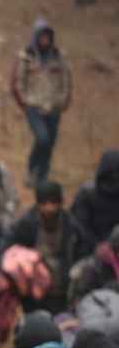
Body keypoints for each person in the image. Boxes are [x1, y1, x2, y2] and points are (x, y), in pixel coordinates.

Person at [7, 181, 92, 313]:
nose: (49, 208)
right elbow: (8, 244)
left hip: (61, 288)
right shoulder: (25, 223)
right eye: (44, 203)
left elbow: (83, 249)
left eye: (53, 203)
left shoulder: (71, 225)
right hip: (33, 289)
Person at [10, 19, 72, 186]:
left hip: (54, 108)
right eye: (42, 37)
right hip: (34, 107)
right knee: (42, 139)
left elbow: (65, 80)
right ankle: (31, 168)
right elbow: (17, 81)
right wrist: (25, 102)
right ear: (36, 37)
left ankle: (42, 176)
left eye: (47, 37)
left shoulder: (59, 56)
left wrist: (63, 101)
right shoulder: (26, 57)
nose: (45, 40)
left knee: (50, 143)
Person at [72, 151, 119, 247]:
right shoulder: (87, 195)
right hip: (90, 249)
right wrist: (98, 247)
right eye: (112, 172)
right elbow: (80, 228)